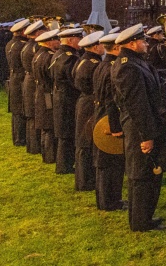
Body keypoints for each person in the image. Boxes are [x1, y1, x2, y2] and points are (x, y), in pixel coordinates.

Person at [112, 24, 166, 232]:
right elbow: (137, 105)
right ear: (132, 43)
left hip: (148, 125)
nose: (146, 43)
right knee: (142, 175)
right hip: (140, 127)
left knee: (150, 175)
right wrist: (146, 136)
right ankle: (141, 222)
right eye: (143, 40)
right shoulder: (127, 67)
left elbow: (154, 78)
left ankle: (145, 217)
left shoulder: (135, 62)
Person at [93, 33, 126, 212]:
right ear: (116, 47)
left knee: (104, 162)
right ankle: (111, 201)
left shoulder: (102, 65)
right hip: (108, 118)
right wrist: (115, 127)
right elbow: (111, 100)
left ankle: (107, 199)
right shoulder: (112, 67)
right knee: (111, 162)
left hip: (101, 114)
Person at [72, 31, 104, 192]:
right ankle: (86, 181)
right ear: (95, 47)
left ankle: (83, 180)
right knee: (86, 142)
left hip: (83, 101)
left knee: (82, 142)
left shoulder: (82, 61)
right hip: (90, 103)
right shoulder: (93, 64)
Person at [50, 27, 83, 175]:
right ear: (70, 40)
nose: (80, 41)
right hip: (68, 98)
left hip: (60, 96)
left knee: (63, 131)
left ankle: (63, 164)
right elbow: (74, 80)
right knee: (67, 133)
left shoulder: (58, 54)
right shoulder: (70, 58)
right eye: (78, 38)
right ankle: (65, 165)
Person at [32, 29, 60, 163]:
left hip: (40, 91)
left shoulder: (38, 54)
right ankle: (50, 156)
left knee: (44, 125)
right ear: (49, 42)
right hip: (48, 93)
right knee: (49, 124)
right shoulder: (48, 57)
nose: (58, 42)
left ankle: (46, 153)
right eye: (56, 40)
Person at [6, 19, 31, 147]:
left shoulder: (10, 43)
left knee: (16, 110)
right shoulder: (22, 45)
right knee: (21, 109)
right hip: (20, 78)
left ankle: (17, 137)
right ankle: (21, 138)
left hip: (14, 77)